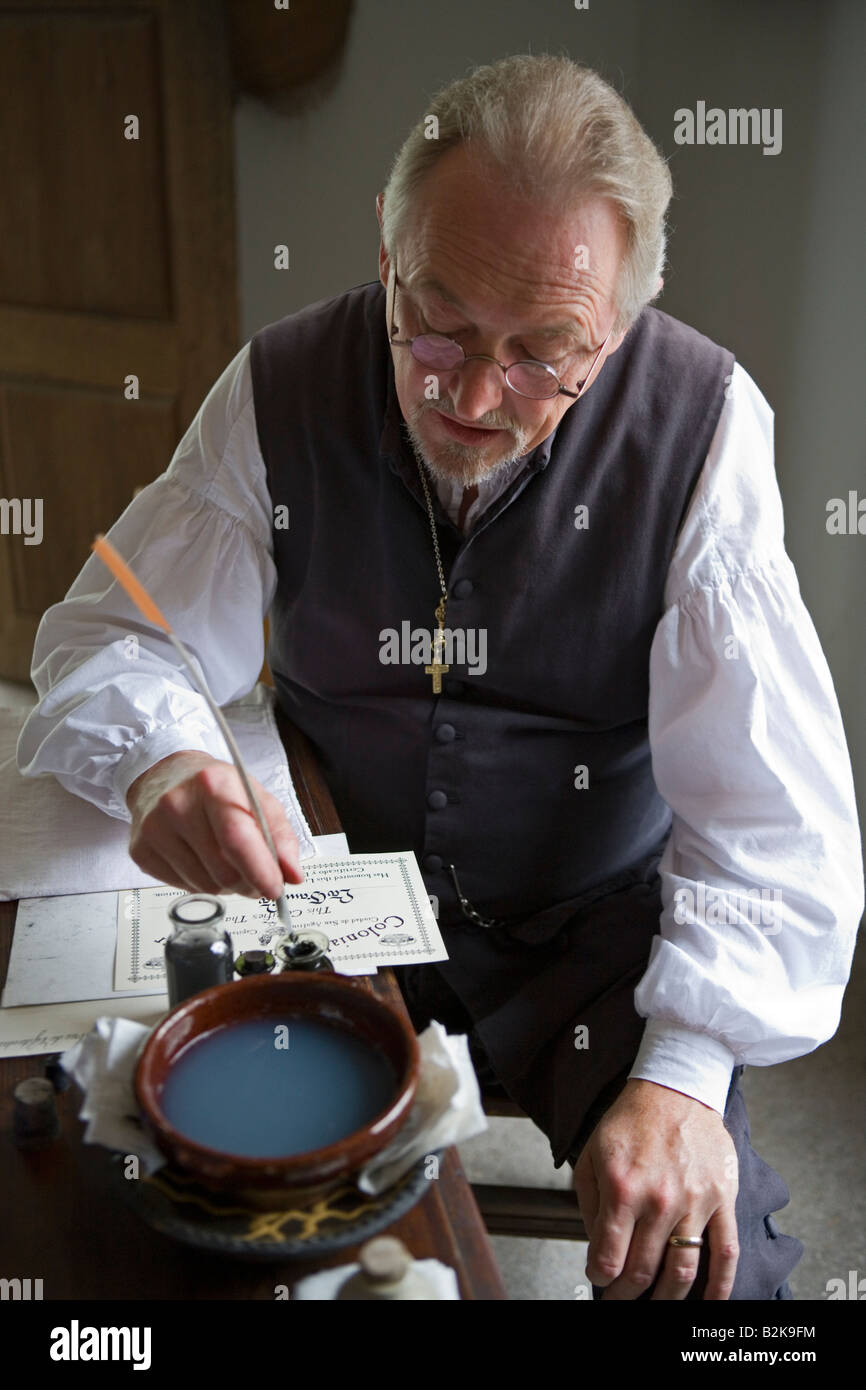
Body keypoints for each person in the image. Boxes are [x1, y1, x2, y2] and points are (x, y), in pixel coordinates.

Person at [17, 54, 862, 1300]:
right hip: (321, 894)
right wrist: (164, 758)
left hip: (596, 934)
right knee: (166, 1207)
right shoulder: (277, 386)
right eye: (439, 323)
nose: (472, 395)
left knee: (710, 1272)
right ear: (385, 243)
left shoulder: (702, 424)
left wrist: (682, 1077)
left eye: (543, 351)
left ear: (623, 318)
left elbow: (774, 819)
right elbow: (114, 630)